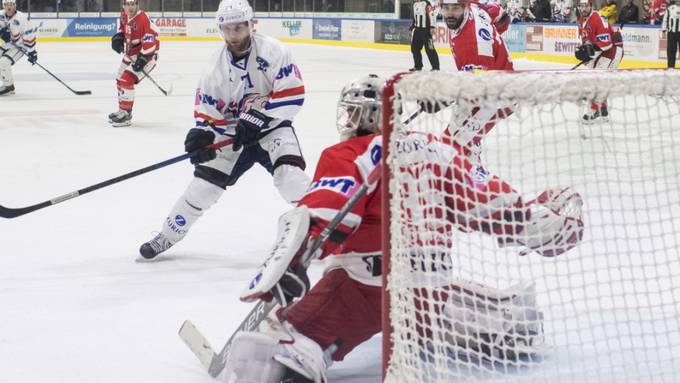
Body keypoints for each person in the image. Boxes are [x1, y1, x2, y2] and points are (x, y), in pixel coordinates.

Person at [221, 74, 585, 382]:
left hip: (367, 291)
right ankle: (503, 318)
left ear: (368, 116)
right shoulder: (440, 149)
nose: (347, 119)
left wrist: (293, 262)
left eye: (353, 112)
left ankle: (292, 357)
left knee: (274, 346)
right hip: (431, 295)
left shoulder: (347, 154)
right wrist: (550, 227)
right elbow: (493, 206)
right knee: (421, 306)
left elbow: (327, 214)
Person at [138, 0, 310, 259]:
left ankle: (330, 226)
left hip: (273, 127)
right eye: (227, 29)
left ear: (251, 25)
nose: (232, 36)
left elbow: (293, 94)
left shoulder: (275, 52)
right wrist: (203, 135)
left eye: (238, 28)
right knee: (203, 187)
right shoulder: (214, 69)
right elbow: (209, 114)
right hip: (233, 135)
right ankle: (167, 235)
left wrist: (260, 117)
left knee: (290, 177)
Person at [439, 0, 514, 165]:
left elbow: (480, 87)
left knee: (455, 147)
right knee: (453, 142)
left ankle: (474, 180)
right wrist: (493, 36)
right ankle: (471, 162)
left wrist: (443, 96)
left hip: (497, 96)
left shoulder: (472, 45)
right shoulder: (475, 5)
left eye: (455, 8)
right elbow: (503, 17)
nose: (450, 14)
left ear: (465, 8)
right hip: (482, 81)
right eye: (446, 8)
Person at [108, 0, 160, 127]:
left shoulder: (143, 19)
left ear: (137, 5)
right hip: (132, 54)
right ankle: (122, 109)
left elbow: (150, 43)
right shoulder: (124, 15)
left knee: (126, 79)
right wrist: (119, 37)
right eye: (128, 4)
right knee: (119, 78)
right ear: (123, 5)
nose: (130, 7)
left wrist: (142, 59)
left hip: (147, 55)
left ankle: (126, 115)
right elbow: (124, 29)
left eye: (133, 4)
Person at [575, 0, 624, 122]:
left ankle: (594, 110)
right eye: (582, 6)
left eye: (586, 6)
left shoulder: (598, 18)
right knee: (595, 77)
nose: (584, 8)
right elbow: (587, 40)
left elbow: (607, 44)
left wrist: (591, 51)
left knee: (597, 79)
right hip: (603, 50)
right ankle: (603, 109)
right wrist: (586, 51)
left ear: (591, 6)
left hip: (613, 50)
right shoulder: (581, 20)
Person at [0, 0, 38, 96]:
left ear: (15, 6)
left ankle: (8, 86)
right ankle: (7, 82)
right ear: (3, 6)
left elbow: (29, 34)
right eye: (6, 5)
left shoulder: (21, 18)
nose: (9, 7)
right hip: (9, 44)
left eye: (11, 5)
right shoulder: (0, 15)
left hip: (21, 45)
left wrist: (32, 51)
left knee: (4, 62)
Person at [409, 0, 440, 71]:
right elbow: (415, 17)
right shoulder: (415, 4)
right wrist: (412, 27)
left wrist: (432, 27)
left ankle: (435, 67)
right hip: (417, 30)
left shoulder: (426, 3)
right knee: (414, 48)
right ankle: (418, 66)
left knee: (430, 48)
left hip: (426, 30)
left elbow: (432, 14)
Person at [662, 0, 680, 68]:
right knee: (671, 51)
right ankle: (670, 67)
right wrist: (664, 30)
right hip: (671, 33)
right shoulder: (670, 8)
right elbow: (665, 20)